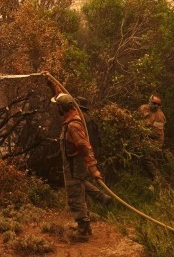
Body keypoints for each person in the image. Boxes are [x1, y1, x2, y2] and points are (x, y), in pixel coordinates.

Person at [45, 76, 103, 242]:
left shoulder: (73, 125)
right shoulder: (73, 112)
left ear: (63, 109)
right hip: (72, 165)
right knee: (80, 193)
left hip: (74, 166)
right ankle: (85, 226)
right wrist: (52, 83)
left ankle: (83, 230)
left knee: (74, 197)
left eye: (58, 107)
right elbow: (62, 95)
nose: (57, 109)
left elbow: (85, 148)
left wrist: (94, 169)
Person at [75, 97, 113, 207]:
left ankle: (98, 200)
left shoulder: (84, 121)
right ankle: (92, 203)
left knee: (80, 180)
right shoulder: (87, 119)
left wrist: (88, 157)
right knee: (81, 180)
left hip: (85, 155)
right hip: (88, 154)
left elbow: (89, 141)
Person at [138, 94, 166, 183]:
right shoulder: (143, 108)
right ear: (150, 101)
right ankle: (151, 180)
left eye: (158, 104)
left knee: (147, 158)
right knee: (150, 160)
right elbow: (136, 119)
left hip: (156, 141)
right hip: (145, 138)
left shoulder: (160, 116)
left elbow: (157, 134)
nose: (156, 106)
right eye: (154, 103)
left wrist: (143, 132)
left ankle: (158, 179)